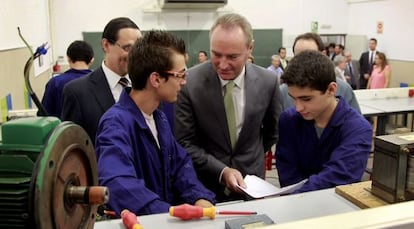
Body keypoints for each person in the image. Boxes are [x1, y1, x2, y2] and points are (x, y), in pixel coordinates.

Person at [95, 30, 215, 216]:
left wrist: (199, 197)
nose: (184, 82)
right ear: (156, 79)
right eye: (180, 75)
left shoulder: (159, 118)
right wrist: (168, 213)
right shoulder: (116, 123)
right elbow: (118, 183)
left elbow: (180, 164)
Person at [175, 13, 281, 202]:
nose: (223, 65)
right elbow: (185, 142)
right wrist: (221, 170)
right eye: (216, 54)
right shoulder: (189, 83)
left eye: (233, 56)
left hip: (252, 187)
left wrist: (249, 157)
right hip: (205, 190)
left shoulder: (268, 82)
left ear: (250, 48)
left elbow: (271, 133)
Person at [275, 50, 372, 194]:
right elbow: (288, 173)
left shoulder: (358, 128)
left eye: (306, 99)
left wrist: (295, 195)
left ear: (331, 89)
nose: (298, 107)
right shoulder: (289, 120)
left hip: (339, 207)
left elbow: (339, 177)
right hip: (295, 205)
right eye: (293, 98)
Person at [61, 17, 141, 143]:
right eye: (127, 48)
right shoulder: (77, 92)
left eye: (138, 49)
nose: (134, 55)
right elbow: (73, 147)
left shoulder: (146, 86)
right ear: (106, 45)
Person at [279, 32, 361, 114]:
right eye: (299, 56)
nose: (303, 61)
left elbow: (356, 121)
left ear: (323, 55)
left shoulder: (343, 89)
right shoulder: (284, 92)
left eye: (310, 56)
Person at [39, 40, 94, 117]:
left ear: (68, 58)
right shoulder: (100, 81)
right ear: (92, 60)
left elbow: (44, 115)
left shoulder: (55, 83)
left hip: (63, 128)